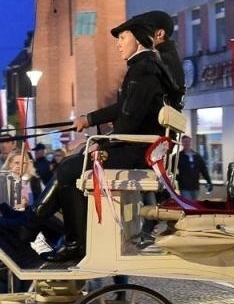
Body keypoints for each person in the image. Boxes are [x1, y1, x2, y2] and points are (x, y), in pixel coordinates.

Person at [35, 15, 177, 264]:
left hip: (138, 152)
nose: (118, 43)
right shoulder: (143, 68)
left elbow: (129, 120)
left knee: (70, 168)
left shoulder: (143, 71)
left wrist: (104, 142)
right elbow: (123, 109)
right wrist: (89, 119)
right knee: (76, 161)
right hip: (141, 148)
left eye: (123, 37)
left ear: (140, 39)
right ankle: (36, 222)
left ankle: (68, 239)